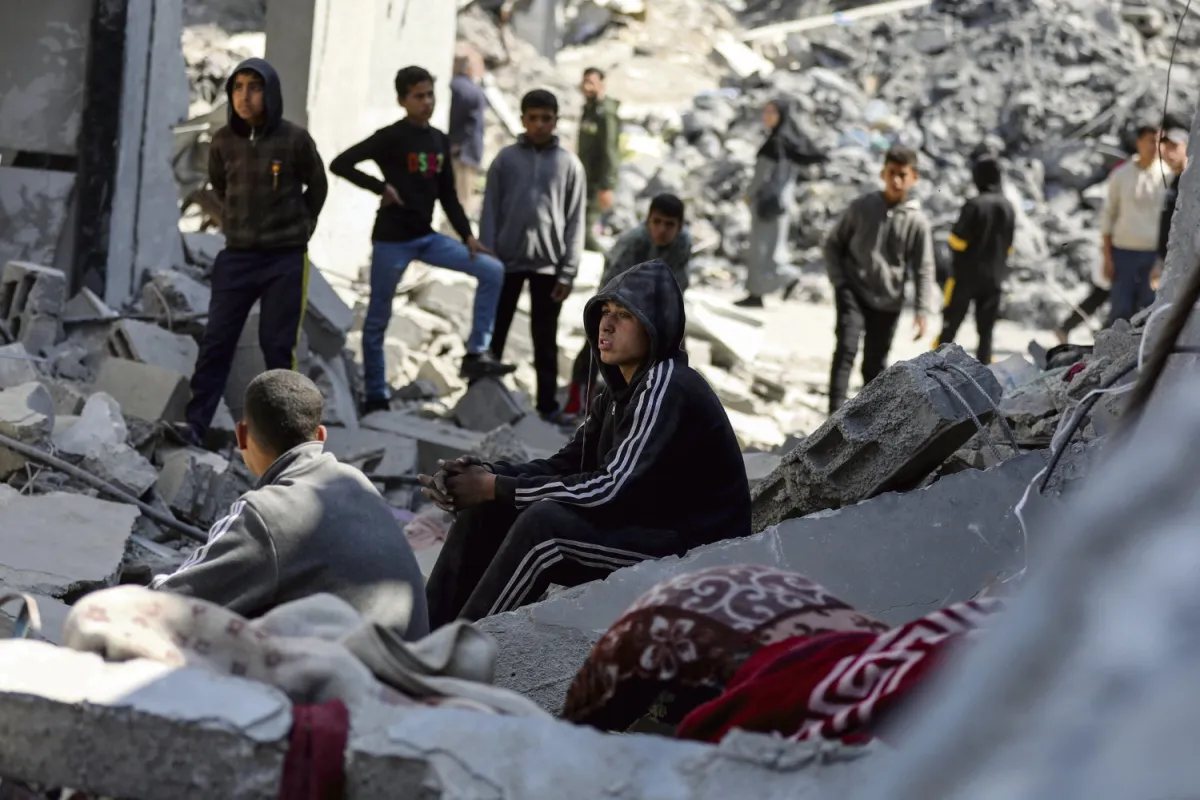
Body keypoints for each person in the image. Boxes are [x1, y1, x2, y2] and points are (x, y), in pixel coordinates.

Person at [420, 259, 751, 626]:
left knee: (545, 528)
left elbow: (610, 487)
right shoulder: (617, 393)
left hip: (697, 553)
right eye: (605, 312)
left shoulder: (667, 386)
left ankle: (457, 650)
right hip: (645, 529)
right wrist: (486, 476)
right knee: (488, 508)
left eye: (624, 315)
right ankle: (422, 638)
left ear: (655, 325)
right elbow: (566, 465)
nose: (606, 324)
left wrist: (495, 486)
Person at [153, 370, 430, 639]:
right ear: (321, 436)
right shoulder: (357, 481)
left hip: (349, 668)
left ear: (241, 435)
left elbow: (168, 602)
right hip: (410, 660)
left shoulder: (264, 512)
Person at [330, 65, 513, 415]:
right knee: (377, 320)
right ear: (403, 100)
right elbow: (341, 163)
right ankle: (376, 395)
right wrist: (380, 187)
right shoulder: (390, 137)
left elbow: (448, 196)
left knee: (492, 270)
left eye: (430, 95)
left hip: (427, 238)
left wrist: (468, 236)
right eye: (418, 96)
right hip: (391, 242)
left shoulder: (438, 140)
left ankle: (476, 353)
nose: (427, 102)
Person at [180, 58, 327, 446]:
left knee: (277, 348)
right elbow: (220, 187)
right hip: (237, 258)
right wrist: (237, 223)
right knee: (216, 342)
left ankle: (284, 439)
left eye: (255, 87)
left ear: (271, 93)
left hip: (285, 260)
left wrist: (302, 228)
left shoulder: (294, 139)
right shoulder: (223, 142)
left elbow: (318, 186)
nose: (245, 96)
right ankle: (195, 425)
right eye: (238, 87)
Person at [481, 89, 586, 420]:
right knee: (495, 332)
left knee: (545, 339)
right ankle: (481, 397)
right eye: (533, 118)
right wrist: (488, 258)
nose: (539, 124)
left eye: (546, 118)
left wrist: (568, 271)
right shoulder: (505, 160)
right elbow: (489, 211)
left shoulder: (569, 165)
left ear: (556, 121)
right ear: (523, 119)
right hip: (505, 263)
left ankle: (546, 406)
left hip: (548, 266)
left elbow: (575, 220)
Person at [824, 146, 936, 413]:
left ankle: (867, 420)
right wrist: (840, 283)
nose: (896, 180)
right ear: (882, 173)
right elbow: (832, 244)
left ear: (914, 178)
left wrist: (922, 310)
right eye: (891, 173)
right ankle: (833, 415)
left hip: (888, 300)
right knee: (846, 348)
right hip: (853, 290)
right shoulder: (862, 207)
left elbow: (923, 268)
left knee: (875, 364)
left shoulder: (917, 222)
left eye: (902, 175)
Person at [562, 193, 692, 416]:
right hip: (618, 296)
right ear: (648, 220)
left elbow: (677, 285)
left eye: (669, 225)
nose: (661, 230)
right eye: (657, 222)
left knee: (675, 351)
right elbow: (611, 285)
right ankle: (576, 402)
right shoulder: (634, 241)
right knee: (596, 347)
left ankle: (663, 409)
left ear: (679, 227)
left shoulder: (683, 243)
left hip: (657, 302)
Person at [736, 97, 827, 309]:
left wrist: (748, 196)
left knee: (762, 250)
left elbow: (760, 177)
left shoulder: (775, 144)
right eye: (765, 111)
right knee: (770, 249)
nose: (766, 116)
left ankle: (787, 278)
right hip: (782, 204)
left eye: (772, 112)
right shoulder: (789, 143)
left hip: (767, 204)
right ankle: (757, 293)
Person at [933, 156, 1016, 364]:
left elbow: (957, 241)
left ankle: (934, 365)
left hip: (965, 277)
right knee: (986, 332)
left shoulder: (974, 204)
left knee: (950, 325)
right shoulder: (1008, 207)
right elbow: (1009, 247)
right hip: (994, 278)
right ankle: (985, 369)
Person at [1099, 122, 1167, 325]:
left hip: (1153, 255)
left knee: (1150, 310)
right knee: (1121, 309)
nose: (1154, 146)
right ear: (1139, 142)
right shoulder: (1121, 175)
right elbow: (1108, 216)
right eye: (1150, 141)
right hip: (1124, 252)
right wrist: (1107, 257)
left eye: (1159, 141)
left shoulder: (1167, 175)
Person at [578, 67, 621, 251]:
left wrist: (607, 186)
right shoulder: (590, 110)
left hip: (598, 183)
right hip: (585, 179)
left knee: (586, 232)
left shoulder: (606, 113)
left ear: (601, 85)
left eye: (591, 83)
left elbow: (610, 150)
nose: (587, 87)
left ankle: (612, 262)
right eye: (585, 82)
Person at [448, 46, 488, 219]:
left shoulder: (459, 87)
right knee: (462, 200)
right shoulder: (468, 89)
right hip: (465, 153)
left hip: (462, 152)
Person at [1157, 113, 1189, 269]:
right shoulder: (1173, 180)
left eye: (1175, 147)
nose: (1169, 153)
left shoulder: (1193, 182)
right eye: (1166, 147)